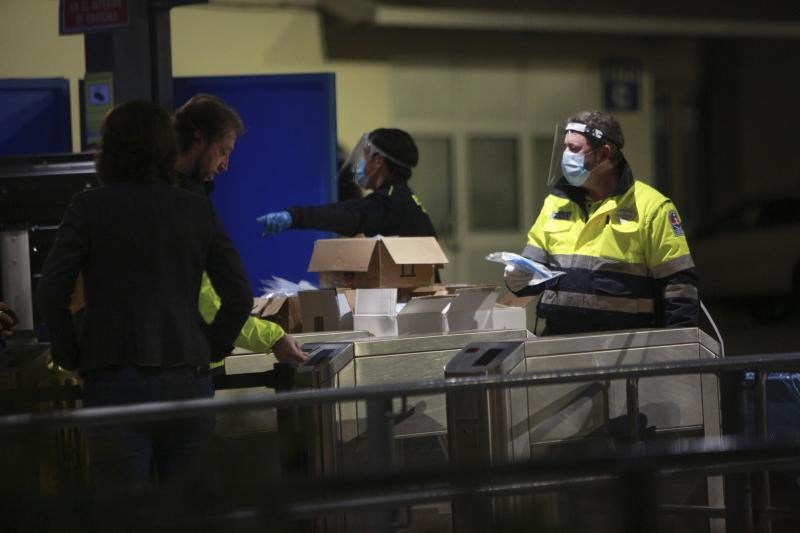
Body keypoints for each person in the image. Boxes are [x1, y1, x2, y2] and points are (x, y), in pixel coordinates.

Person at [36, 100, 253, 491]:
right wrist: (208, 348)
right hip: (187, 378)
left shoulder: (88, 208)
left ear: (109, 151)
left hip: (113, 378)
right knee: (190, 510)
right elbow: (238, 295)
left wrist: (72, 355)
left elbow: (52, 289)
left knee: (125, 516)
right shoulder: (195, 209)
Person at [505, 111, 699, 335]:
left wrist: (678, 348)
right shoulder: (555, 204)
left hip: (625, 349)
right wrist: (518, 277)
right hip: (558, 342)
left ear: (604, 154)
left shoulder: (651, 207)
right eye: (565, 147)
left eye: (575, 149)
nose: (566, 155)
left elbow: (679, 286)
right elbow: (533, 272)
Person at [173, 93, 306, 365]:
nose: (225, 164)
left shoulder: (164, 193)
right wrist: (268, 336)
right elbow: (212, 301)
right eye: (224, 151)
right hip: (185, 366)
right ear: (199, 140)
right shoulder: (187, 203)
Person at [257, 128, 437, 239]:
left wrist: (294, 217)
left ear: (378, 161)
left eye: (365, 154)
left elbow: (349, 214)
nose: (360, 162)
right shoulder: (405, 197)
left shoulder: (389, 201)